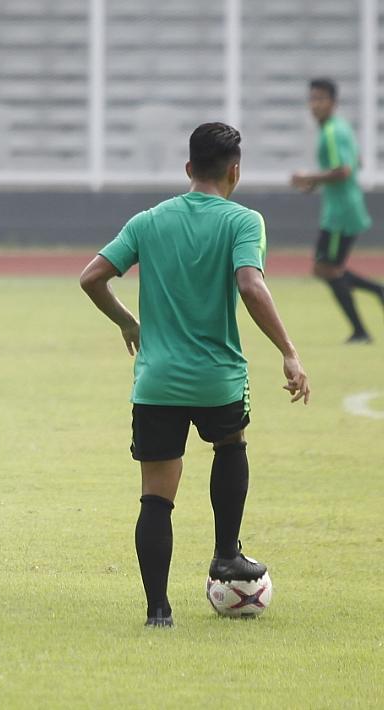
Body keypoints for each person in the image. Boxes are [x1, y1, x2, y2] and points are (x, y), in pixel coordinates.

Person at [80, 122, 311, 628]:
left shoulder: (148, 221)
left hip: (157, 382)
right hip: (217, 379)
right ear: (235, 171)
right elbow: (250, 286)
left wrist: (128, 322)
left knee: (156, 496)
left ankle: (158, 612)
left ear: (188, 168)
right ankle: (226, 553)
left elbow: (92, 277)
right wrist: (289, 351)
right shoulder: (243, 221)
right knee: (230, 445)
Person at [290, 78, 384, 343]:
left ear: (333, 102)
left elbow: (343, 170)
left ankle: (361, 329)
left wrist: (308, 177)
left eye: (320, 99)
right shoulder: (340, 127)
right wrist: (316, 182)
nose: (315, 104)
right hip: (344, 207)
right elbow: (357, 161)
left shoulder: (332, 131)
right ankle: (370, 306)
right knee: (326, 268)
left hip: (340, 213)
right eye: (312, 99)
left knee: (326, 269)